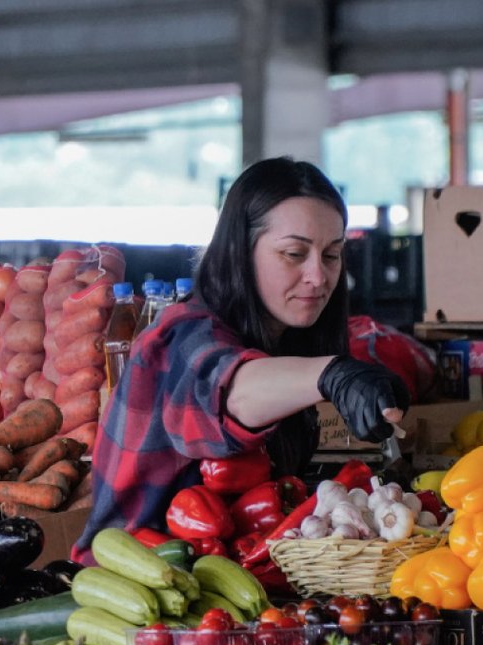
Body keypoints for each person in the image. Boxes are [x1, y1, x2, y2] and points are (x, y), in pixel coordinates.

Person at [74, 156, 409, 557]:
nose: (319, 277)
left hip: (220, 582)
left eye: (332, 255)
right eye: (294, 254)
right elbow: (232, 392)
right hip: (132, 592)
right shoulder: (181, 337)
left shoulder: (285, 342)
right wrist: (332, 374)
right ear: (240, 252)